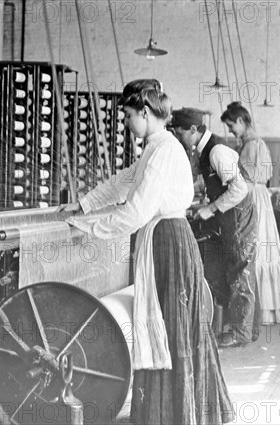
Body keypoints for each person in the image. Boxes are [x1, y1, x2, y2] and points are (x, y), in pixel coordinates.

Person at [58, 80, 234, 424]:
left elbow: (136, 212)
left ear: (144, 112)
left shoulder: (165, 150)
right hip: (166, 238)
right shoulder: (157, 146)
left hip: (167, 241)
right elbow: (125, 180)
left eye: (127, 115)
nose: (126, 123)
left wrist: (88, 227)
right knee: (170, 327)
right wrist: (84, 205)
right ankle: (168, 410)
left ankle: (174, 414)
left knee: (170, 328)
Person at [170, 107, 259, 348]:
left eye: (179, 133)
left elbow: (240, 189)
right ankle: (245, 328)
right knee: (235, 269)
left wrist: (211, 208)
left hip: (239, 217)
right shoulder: (202, 149)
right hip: (230, 217)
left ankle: (241, 333)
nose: (178, 139)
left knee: (241, 270)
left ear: (193, 130)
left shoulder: (217, 151)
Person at [221, 102, 280, 325]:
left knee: (255, 248)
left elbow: (248, 182)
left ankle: (259, 310)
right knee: (262, 248)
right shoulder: (255, 143)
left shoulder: (252, 145)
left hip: (253, 198)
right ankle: (267, 309)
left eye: (232, 126)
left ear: (242, 121)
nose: (231, 130)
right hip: (259, 197)